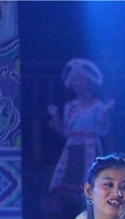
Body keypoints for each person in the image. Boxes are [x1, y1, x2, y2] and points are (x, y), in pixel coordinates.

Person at [47, 58, 114, 200]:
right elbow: (66, 132)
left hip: (90, 147)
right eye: (75, 80)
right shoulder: (70, 106)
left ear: (90, 82)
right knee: (71, 177)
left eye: (82, 80)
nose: (78, 83)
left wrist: (104, 115)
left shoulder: (97, 105)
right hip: (73, 148)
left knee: (90, 177)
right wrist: (56, 118)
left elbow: (102, 131)